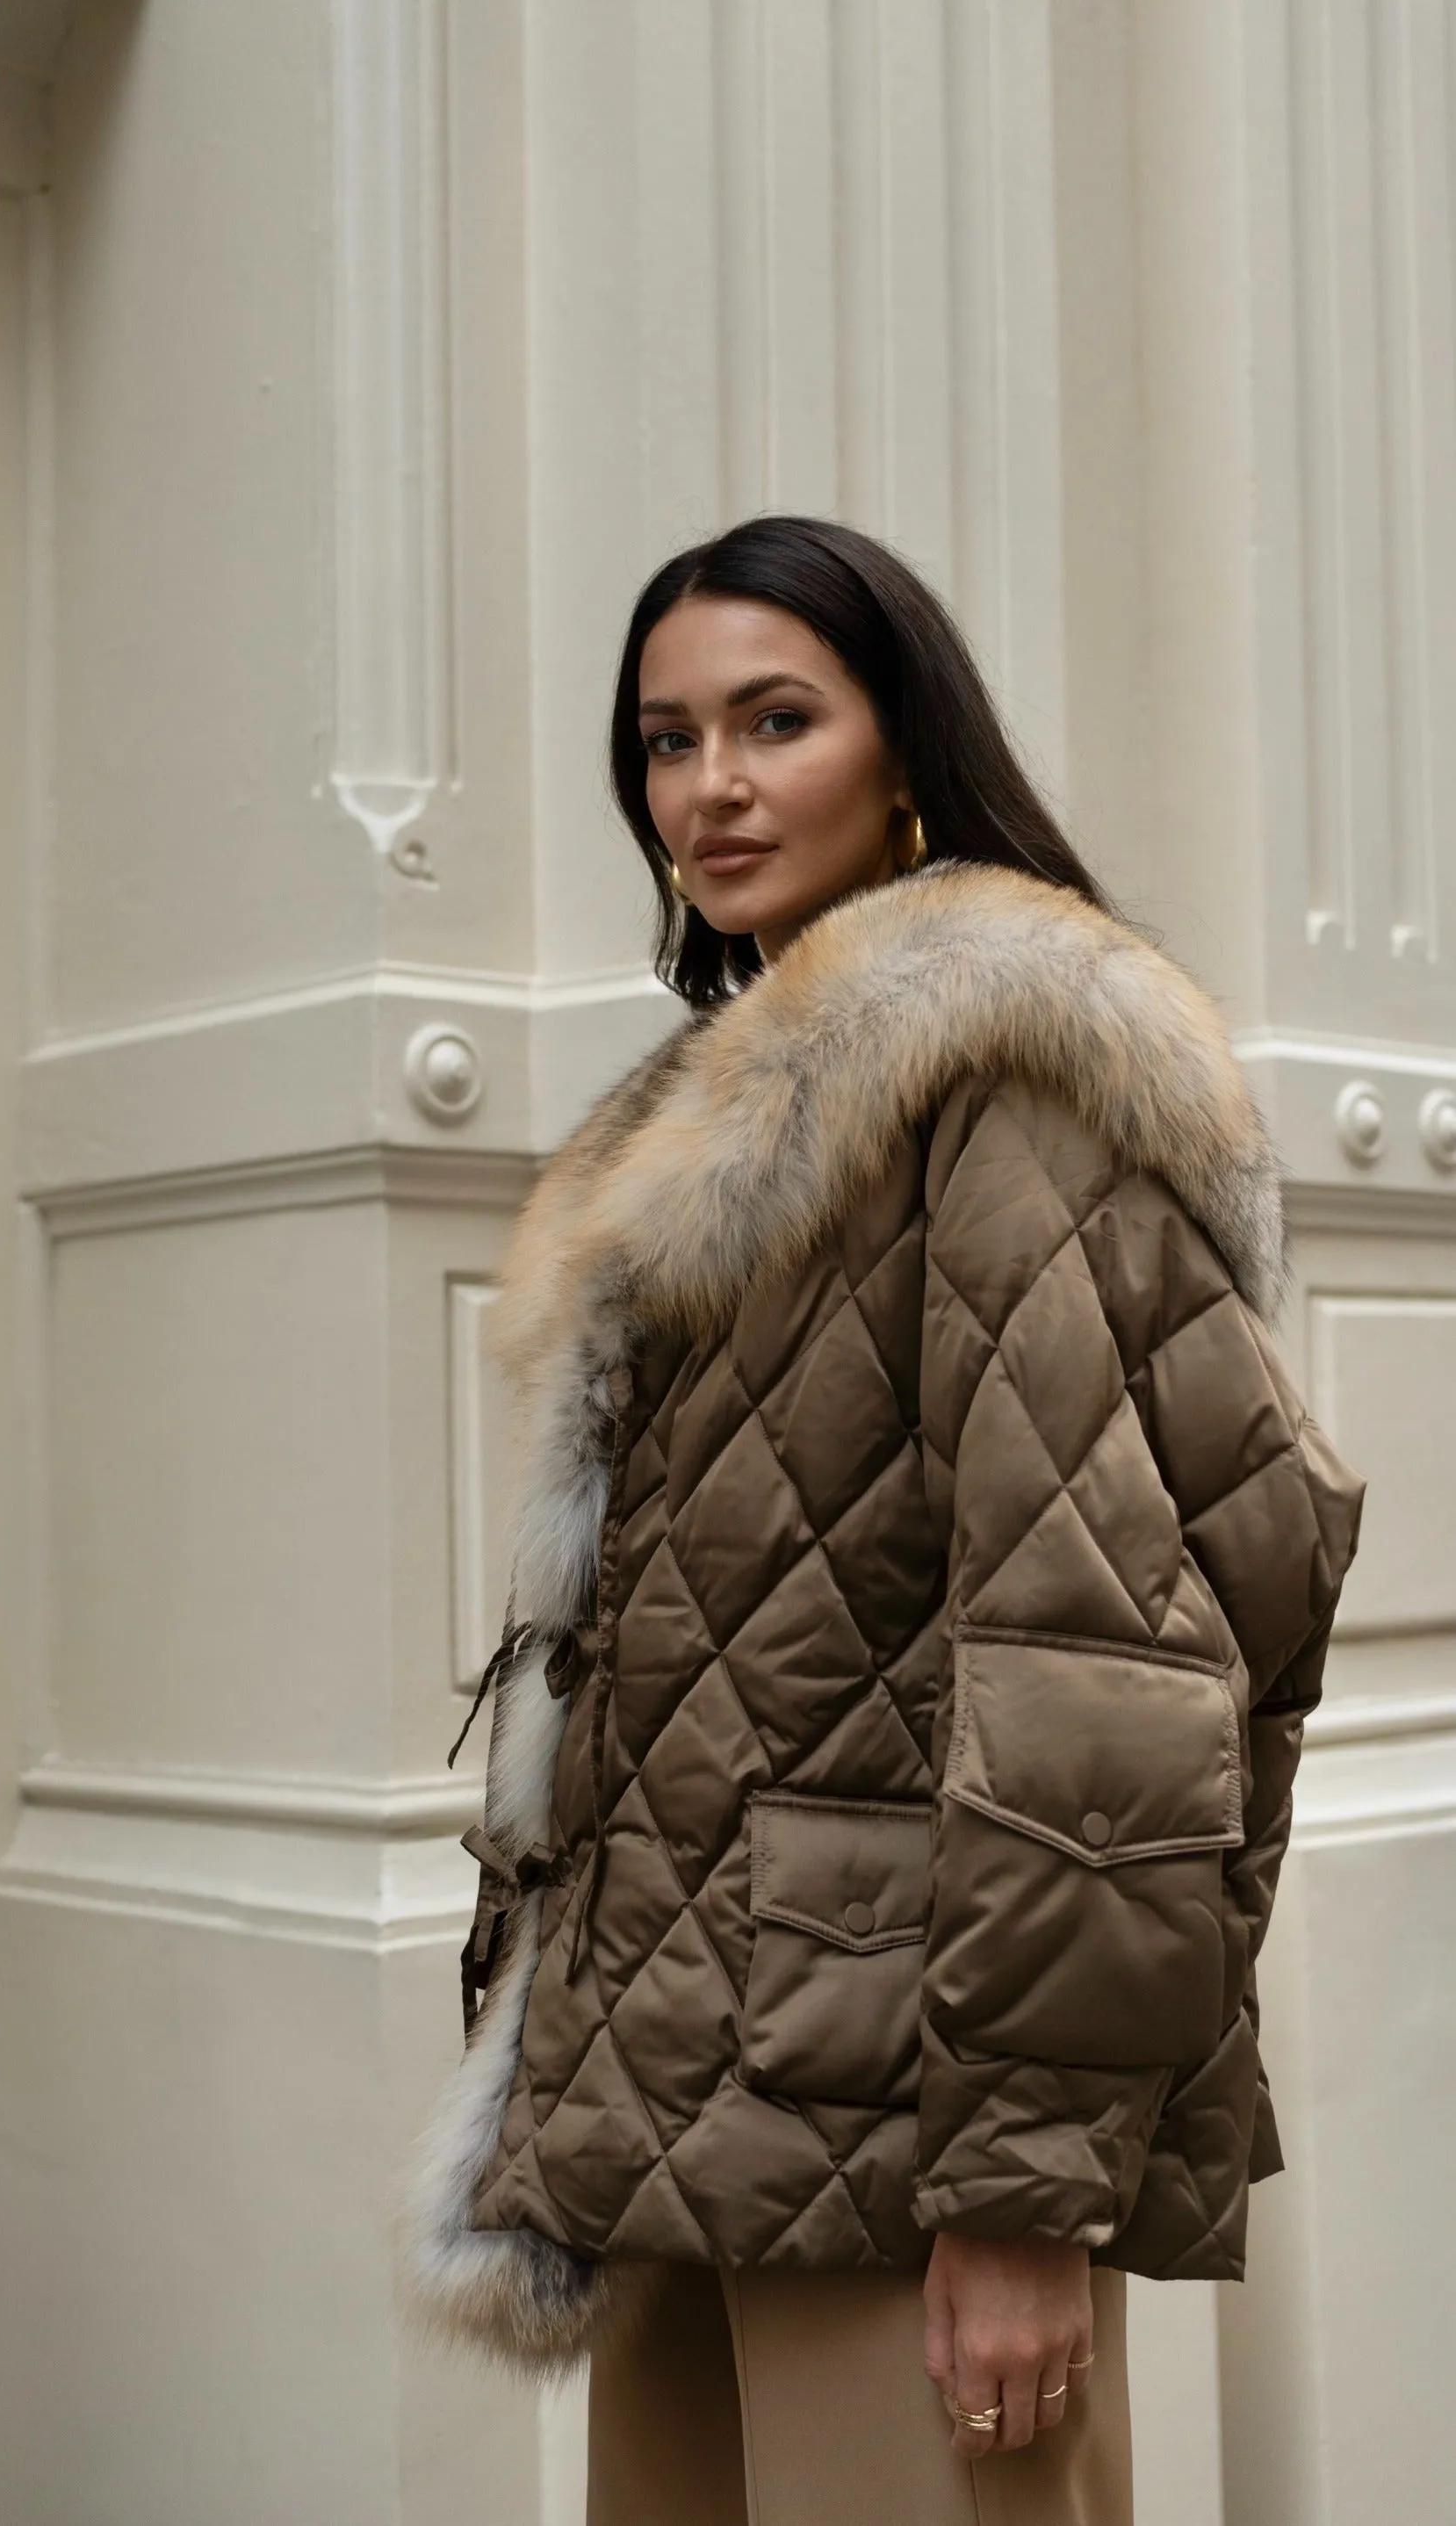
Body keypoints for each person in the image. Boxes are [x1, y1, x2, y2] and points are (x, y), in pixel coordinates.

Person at [407, 516, 1363, 2524]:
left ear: (904, 745)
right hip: (675, 2089)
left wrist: (1023, 2192)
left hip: (901, 2121)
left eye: (776, 718)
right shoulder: (722, 1124)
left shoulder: (1001, 1095)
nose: (713, 785)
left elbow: (1099, 1668)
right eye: (667, 741)